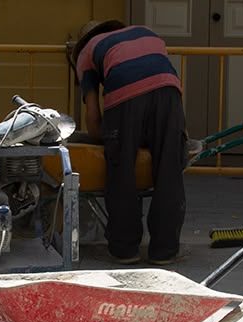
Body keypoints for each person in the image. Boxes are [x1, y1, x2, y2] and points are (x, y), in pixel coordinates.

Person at [70, 19, 186, 265]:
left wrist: (109, 140)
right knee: (169, 170)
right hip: (169, 91)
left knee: (121, 171)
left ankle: (124, 250)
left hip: (125, 97)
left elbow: (92, 115)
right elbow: (154, 79)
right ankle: (165, 251)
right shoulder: (147, 33)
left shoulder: (86, 52)